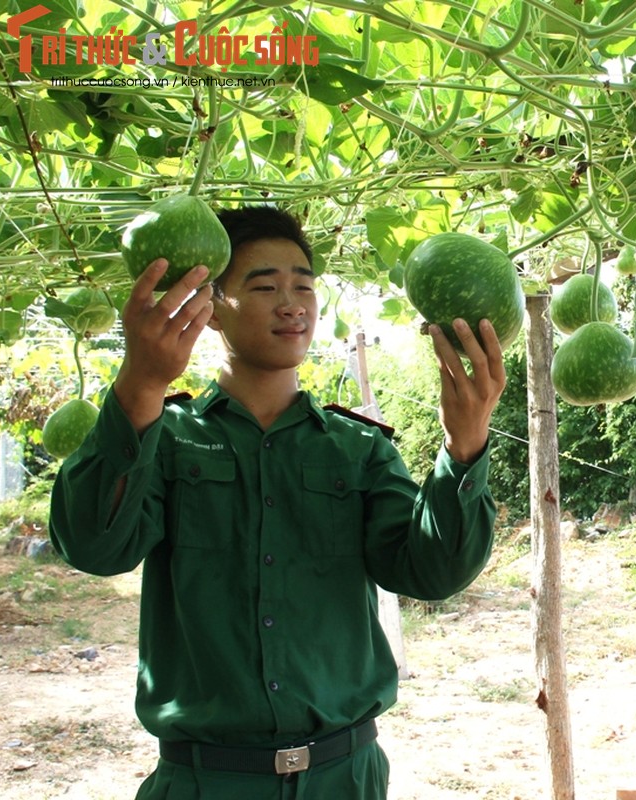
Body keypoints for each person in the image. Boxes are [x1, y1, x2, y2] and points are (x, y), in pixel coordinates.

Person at [49, 205, 508, 799]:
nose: (292, 303)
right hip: (205, 783)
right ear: (208, 306)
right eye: (264, 286)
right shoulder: (164, 437)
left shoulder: (359, 448)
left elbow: (431, 571)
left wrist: (465, 444)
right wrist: (140, 385)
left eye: (304, 286)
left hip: (344, 779)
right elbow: (93, 547)